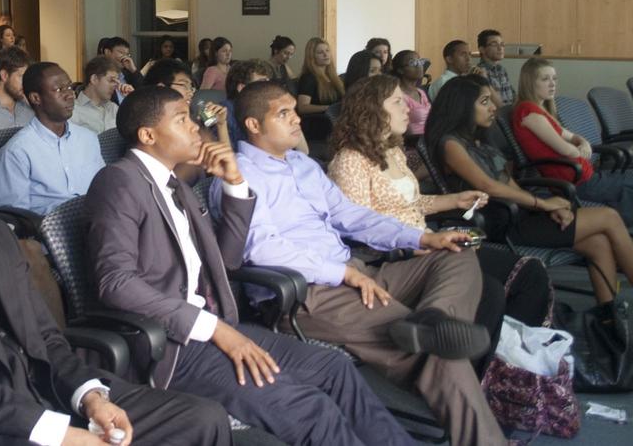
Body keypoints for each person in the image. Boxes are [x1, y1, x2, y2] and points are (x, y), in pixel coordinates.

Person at [0, 106, 232, 446]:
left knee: (202, 419)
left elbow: (46, 337)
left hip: (49, 388)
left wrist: (90, 396)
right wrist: (59, 433)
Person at [86, 85, 417, 446]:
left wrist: (235, 185)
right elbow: (116, 283)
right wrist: (214, 329)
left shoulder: (174, 184)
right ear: (148, 135)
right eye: (183, 120)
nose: (197, 127)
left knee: (334, 369)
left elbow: (227, 260)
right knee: (309, 408)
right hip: (172, 344)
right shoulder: (120, 181)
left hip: (215, 327)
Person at [216, 80, 509, 446]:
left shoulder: (302, 165)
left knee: (455, 253)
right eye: (284, 114)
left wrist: (421, 238)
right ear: (254, 125)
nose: (297, 121)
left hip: (356, 272)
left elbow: (351, 216)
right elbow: (261, 249)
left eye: (295, 111)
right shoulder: (239, 174)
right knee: (439, 353)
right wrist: (342, 273)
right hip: (309, 294)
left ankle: (432, 320)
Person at [328, 75, 552, 373]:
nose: (408, 108)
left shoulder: (392, 151)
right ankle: (471, 374)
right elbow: (358, 227)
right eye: (397, 102)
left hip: (427, 241)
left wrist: (455, 200)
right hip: (396, 258)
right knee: (491, 291)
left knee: (530, 273)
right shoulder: (351, 161)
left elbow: (412, 203)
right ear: (371, 110)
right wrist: (417, 242)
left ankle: (510, 363)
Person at [426, 75, 633, 304]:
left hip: (519, 212)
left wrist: (542, 208)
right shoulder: (450, 144)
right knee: (609, 217)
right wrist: (543, 203)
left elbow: (508, 183)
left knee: (598, 243)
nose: (493, 107)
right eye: (484, 102)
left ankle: (609, 317)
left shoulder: (479, 142)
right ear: (462, 106)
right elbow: (488, 186)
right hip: (500, 220)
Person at [512, 57, 633, 228]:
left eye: (554, 78)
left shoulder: (541, 111)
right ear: (530, 82)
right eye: (545, 79)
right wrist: (580, 148)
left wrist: (582, 143)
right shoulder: (529, 112)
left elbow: (573, 137)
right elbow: (567, 150)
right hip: (576, 182)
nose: (552, 84)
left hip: (584, 176)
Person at [0, 62, 104, 216]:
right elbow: (14, 217)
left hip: (97, 224)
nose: (70, 95)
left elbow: (104, 189)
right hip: (49, 233)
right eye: (59, 89)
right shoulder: (17, 152)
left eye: (69, 87)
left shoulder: (88, 139)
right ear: (36, 98)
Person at [143, 59, 230, 183]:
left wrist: (221, 124)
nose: (190, 92)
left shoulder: (194, 122)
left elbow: (224, 163)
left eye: (192, 87)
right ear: (162, 88)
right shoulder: (150, 124)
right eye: (184, 85)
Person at [71, 56, 125, 134]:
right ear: (94, 79)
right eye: (111, 80)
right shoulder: (73, 111)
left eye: (117, 81)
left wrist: (129, 99)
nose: (116, 85)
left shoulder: (114, 108)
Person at [296, 37, 344, 116]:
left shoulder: (334, 77)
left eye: (327, 50)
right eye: (320, 52)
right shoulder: (308, 78)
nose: (326, 54)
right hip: (319, 121)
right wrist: (329, 108)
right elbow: (302, 107)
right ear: (312, 57)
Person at [391, 50, 430, 136]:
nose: (419, 66)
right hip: (411, 144)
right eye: (413, 63)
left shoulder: (420, 92)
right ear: (400, 70)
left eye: (420, 61)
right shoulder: (398, 95)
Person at [477, 29, 515, 107]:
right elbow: (493, 104)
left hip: (510, 113)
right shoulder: (479, 72)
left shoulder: (502, 69)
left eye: (502, 44)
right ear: (482, 49)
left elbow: (513, 96)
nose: (500, 48)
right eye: (494, 44)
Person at [99, 37, 143, 105]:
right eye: (121, 53)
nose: (124, 57)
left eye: (127, 54)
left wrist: (133, 70)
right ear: (107, 52)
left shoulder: (129, 74)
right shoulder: (99, 76)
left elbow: (145, 92)